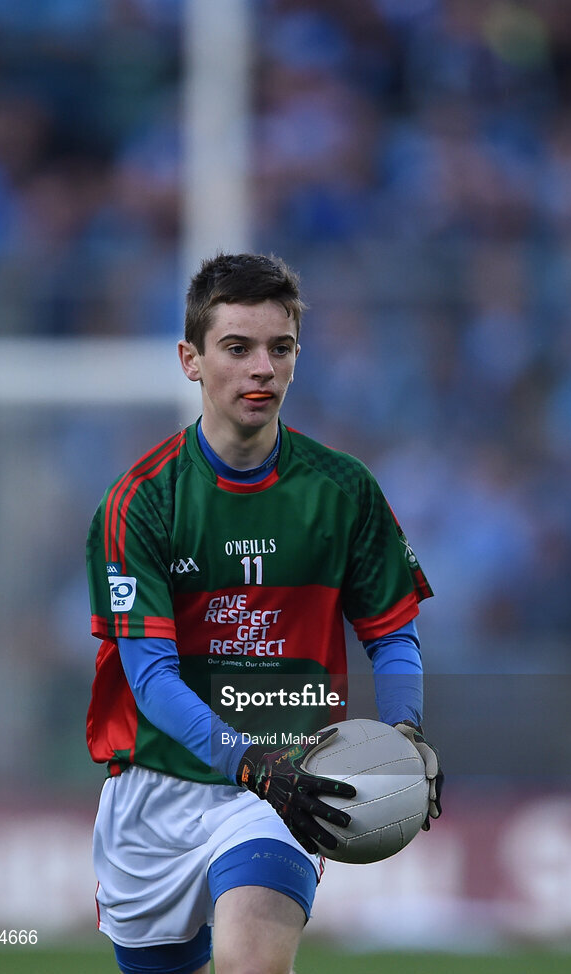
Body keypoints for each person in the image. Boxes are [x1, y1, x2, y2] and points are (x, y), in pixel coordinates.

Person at [86, 252, 442, 974]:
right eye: (237, 348)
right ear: (190, 360)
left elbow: (393, 637)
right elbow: (151, 680)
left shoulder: (345, 491)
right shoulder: (141, 502)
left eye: (280, 349)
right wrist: (245, 761)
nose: (262, 369)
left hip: (284, 783)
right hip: (156, 793)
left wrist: (405, 734)